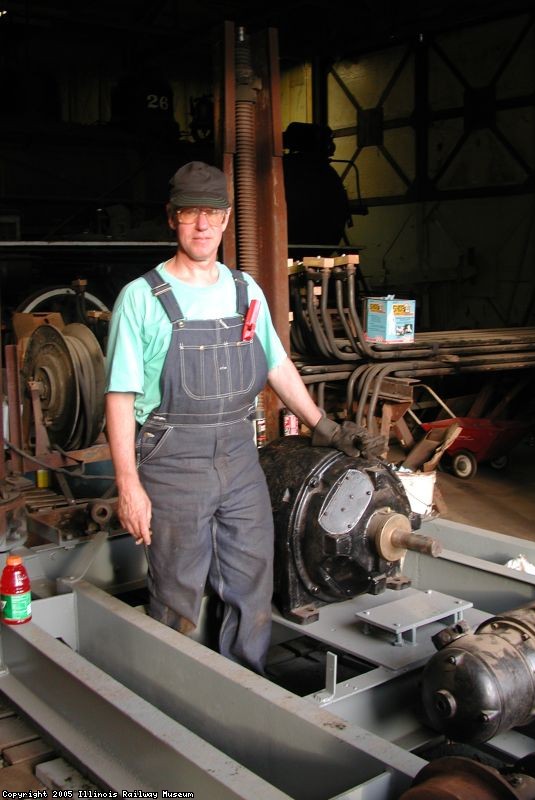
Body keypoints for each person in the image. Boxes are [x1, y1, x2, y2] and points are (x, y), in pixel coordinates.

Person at [104, 161, 383, 673]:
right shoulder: (141, 299)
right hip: (171, 461)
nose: (203, 225)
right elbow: (120, 397)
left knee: (253, 582)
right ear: (173, 219)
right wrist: (128, 485)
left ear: (228, 218)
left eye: (212, 213)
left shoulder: (244, 291)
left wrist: (326, 427)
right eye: (191, 213)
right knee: (178, 591)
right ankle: (175, 698)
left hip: (238, 455)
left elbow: (277, 364)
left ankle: (243, 689)